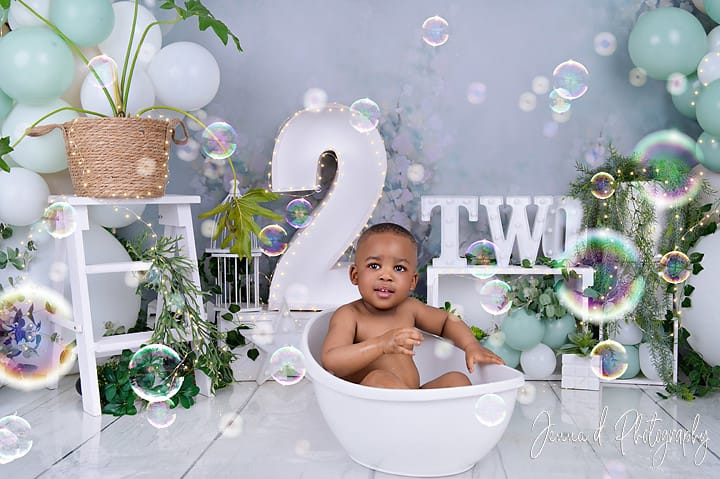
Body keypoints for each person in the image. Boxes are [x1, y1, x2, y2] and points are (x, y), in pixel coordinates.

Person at [321, 223, 504, 389]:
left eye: (399, 268)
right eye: (374, 266)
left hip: (413, 397)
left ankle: (424, 413)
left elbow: (446, 321)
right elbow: (332, 361)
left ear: (412, 281)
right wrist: (380, 344)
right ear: (355, 275)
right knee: (379, 378)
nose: (386, 276)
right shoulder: (349, 315)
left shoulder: (409, 308)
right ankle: (412, 412)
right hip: (374, 403)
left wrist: (471, 345)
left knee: (457, 380)